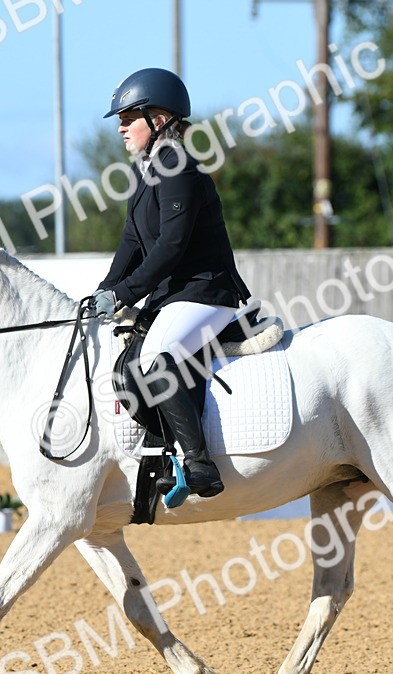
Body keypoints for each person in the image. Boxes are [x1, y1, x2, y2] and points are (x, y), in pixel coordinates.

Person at [90, 67, 252, 500]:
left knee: (155, 357)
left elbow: (171, 246)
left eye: (129, 118)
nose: (121, 127)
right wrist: (105, 288)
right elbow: (132, 240)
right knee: (127, 364)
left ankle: (199, 464)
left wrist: (124, 294)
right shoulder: (149, 169)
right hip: (174, 295)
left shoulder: (178, 166)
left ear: (159, 119)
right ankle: (163, 454)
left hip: (206, 291)